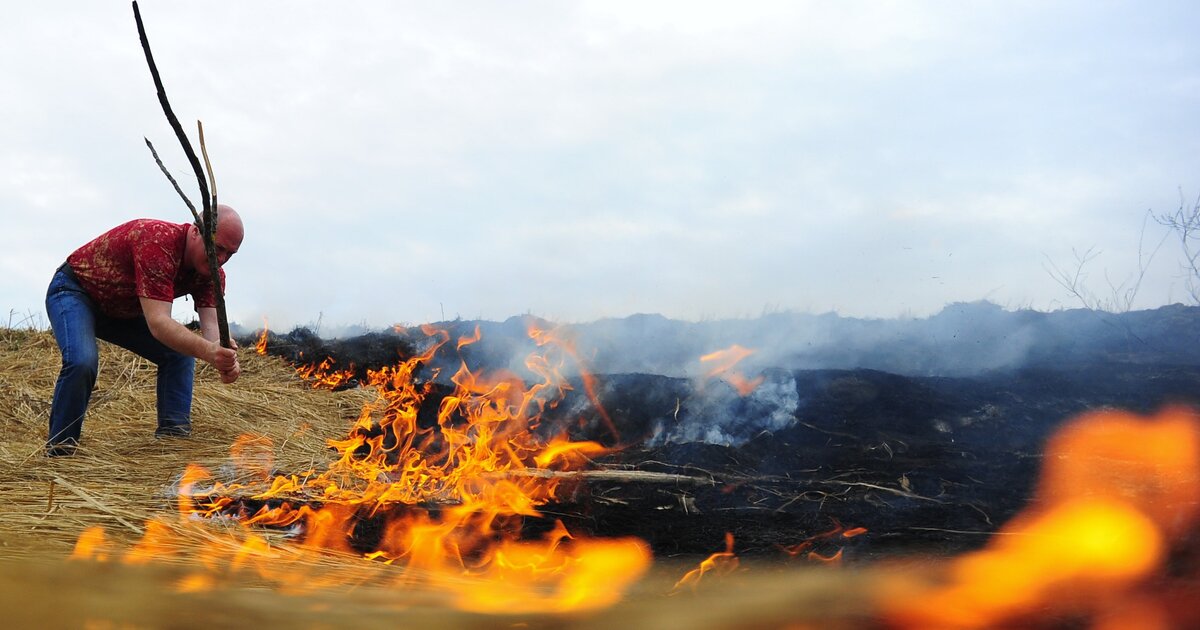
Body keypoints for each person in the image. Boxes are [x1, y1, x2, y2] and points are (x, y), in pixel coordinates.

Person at [44, 205, 244, 456]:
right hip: (76, 292)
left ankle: (173, 445)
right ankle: (60, 453)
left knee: (179, 353)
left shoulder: (212, 274)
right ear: (195, 231)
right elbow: (159, 323)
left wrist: (225, 359)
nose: (222, 259)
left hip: (121, 311)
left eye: (230, 253)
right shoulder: (158, 241)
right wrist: (209, 352)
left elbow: (212, 329)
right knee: (82, 361)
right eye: (218, 248)